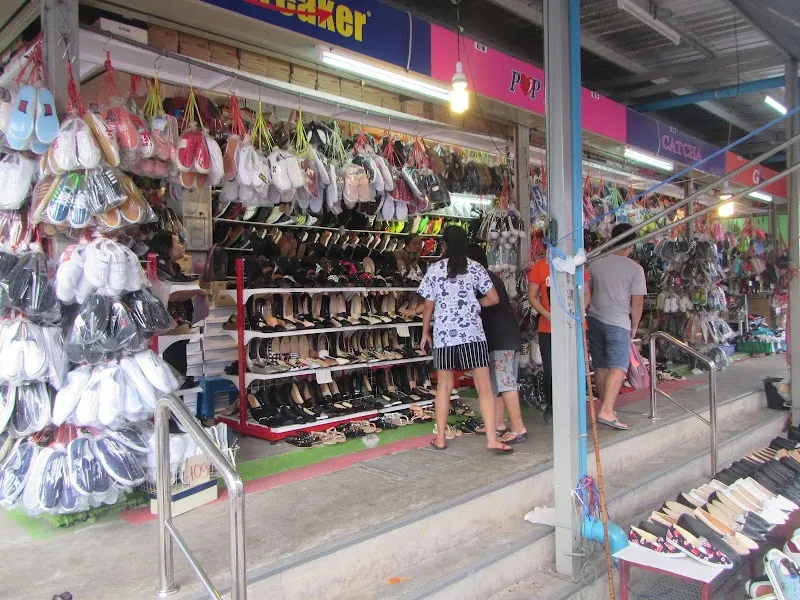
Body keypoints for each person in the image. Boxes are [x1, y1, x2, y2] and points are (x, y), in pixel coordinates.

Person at [418, 226, 513, 453]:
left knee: (444, 387)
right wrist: (473, 305)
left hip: (444, 336)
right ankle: (492, 439)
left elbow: (428, 306)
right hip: (472, 334)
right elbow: (493, 298)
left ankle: (440, 438)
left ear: (445, 244)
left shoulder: (435, 269)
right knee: (485, 388)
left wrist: (425, 333)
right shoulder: (475, 268)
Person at [587, 223, 646, 430]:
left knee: (601, 365)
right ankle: (607, 411)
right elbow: (637, 302)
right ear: (630, 244)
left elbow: (588, 292)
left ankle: (606, 408)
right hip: (618, 322)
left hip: (594, 319)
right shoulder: (635, 269)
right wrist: (634, 326)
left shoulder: (594, 263)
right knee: (619, 366)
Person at [466, 244, 527, 444]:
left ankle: (518, 428)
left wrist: (471, 304)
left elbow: (490, 301)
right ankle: (498, 422)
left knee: (505, 382)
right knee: (496, 383)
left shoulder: (478, 277)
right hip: (502, 337)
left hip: (501, 338)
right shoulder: (491, 276)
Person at [528, 253, 590, 424]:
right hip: (549, 327)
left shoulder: (577, 263)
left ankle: (576, 405)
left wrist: (576, 313)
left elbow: (585, 292)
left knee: (575, 366)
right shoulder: (540, 266)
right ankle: (552, 405)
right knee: (551, 369)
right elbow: (532, 295)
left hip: (574, 325)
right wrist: (547, 314)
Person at [148, 232, 205, 381]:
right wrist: (196, 290)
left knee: (179, 356)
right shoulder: (157, 268)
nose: (181, 246)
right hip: (166, 325)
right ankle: (177, 384)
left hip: (179, 321)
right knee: (172, 359)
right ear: (166, 247)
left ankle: (182, 381)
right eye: (177, 242)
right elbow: (171, 295)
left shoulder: (174, 266)